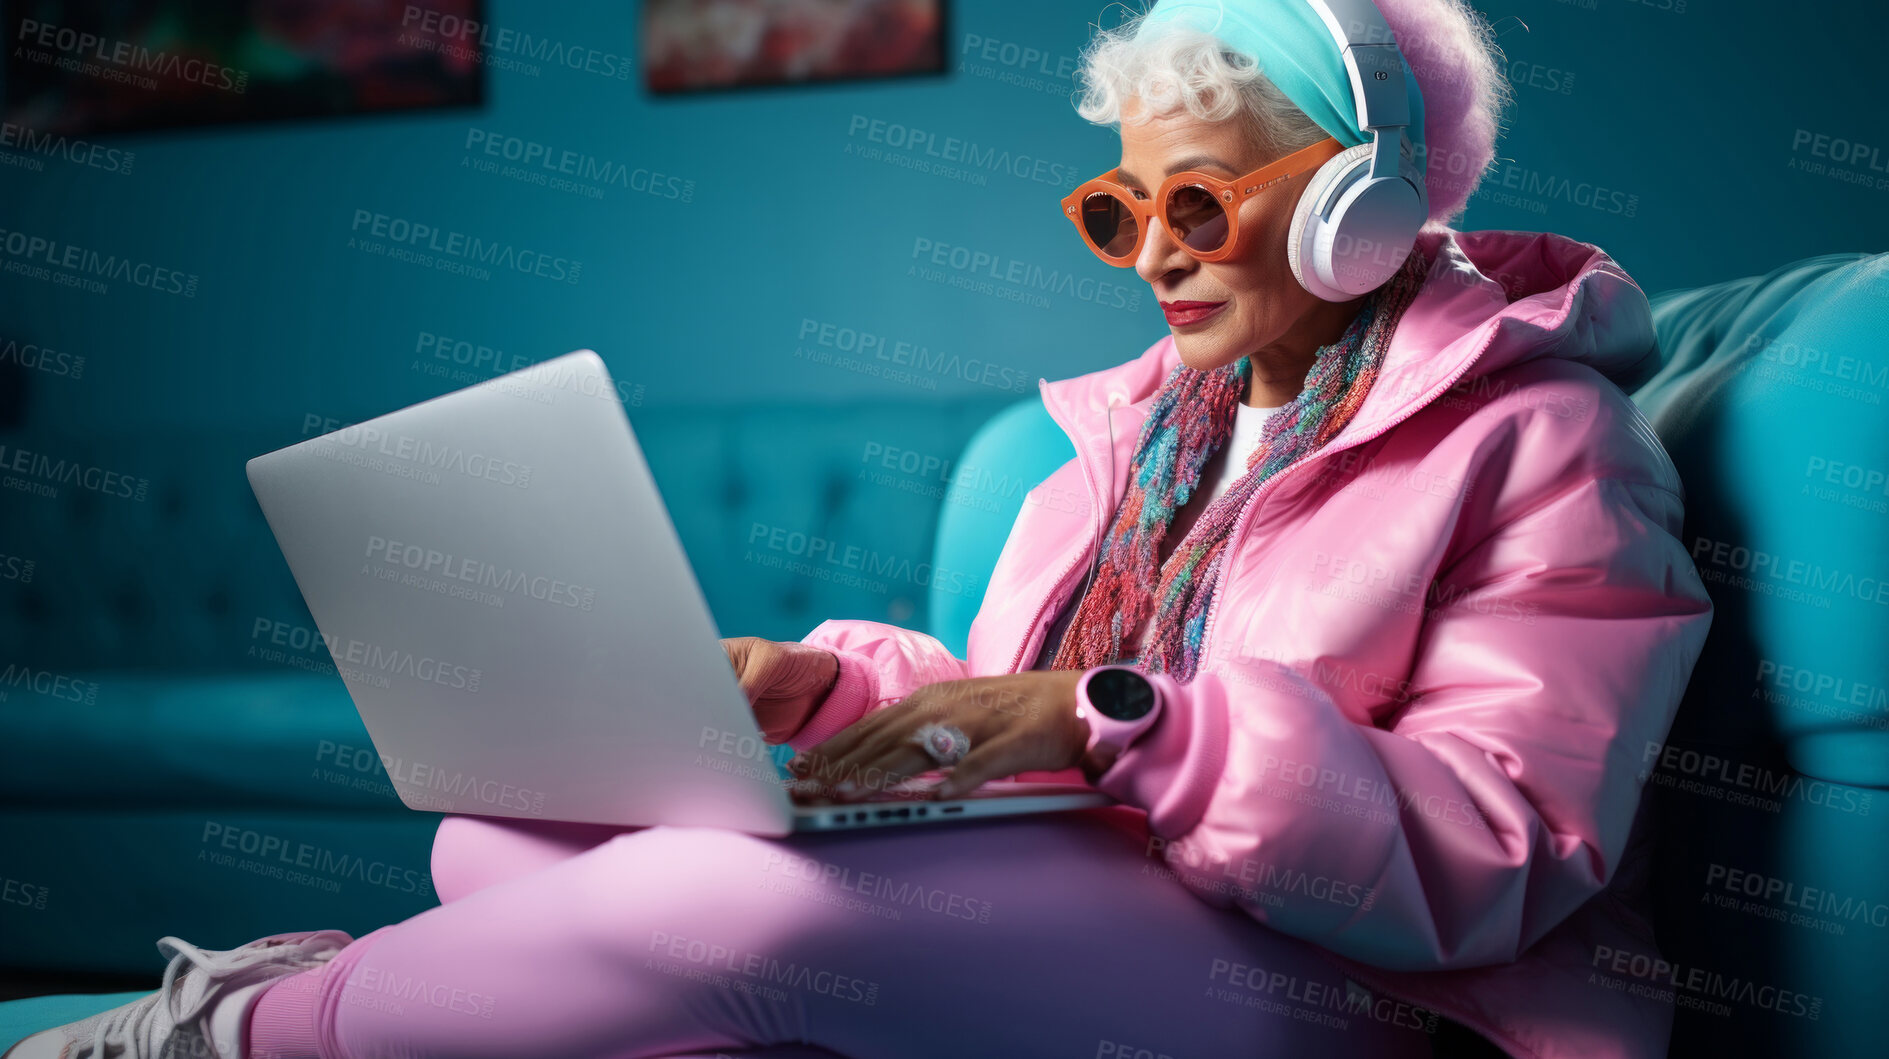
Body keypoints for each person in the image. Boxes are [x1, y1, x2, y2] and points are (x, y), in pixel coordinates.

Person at [7, 1, 1712, 1057]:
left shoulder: (1544, 444)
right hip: (1105, 905)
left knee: (736, 918)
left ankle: (225, 1029)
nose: (1152, 254)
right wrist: (811, 702)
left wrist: (1140, 727)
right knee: (503, 847)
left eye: (1200, 200)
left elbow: (1500, 848)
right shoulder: (1127, 441)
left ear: (1370, 200)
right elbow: (1000, 709)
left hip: (1357, 993)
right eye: (1120, 207)